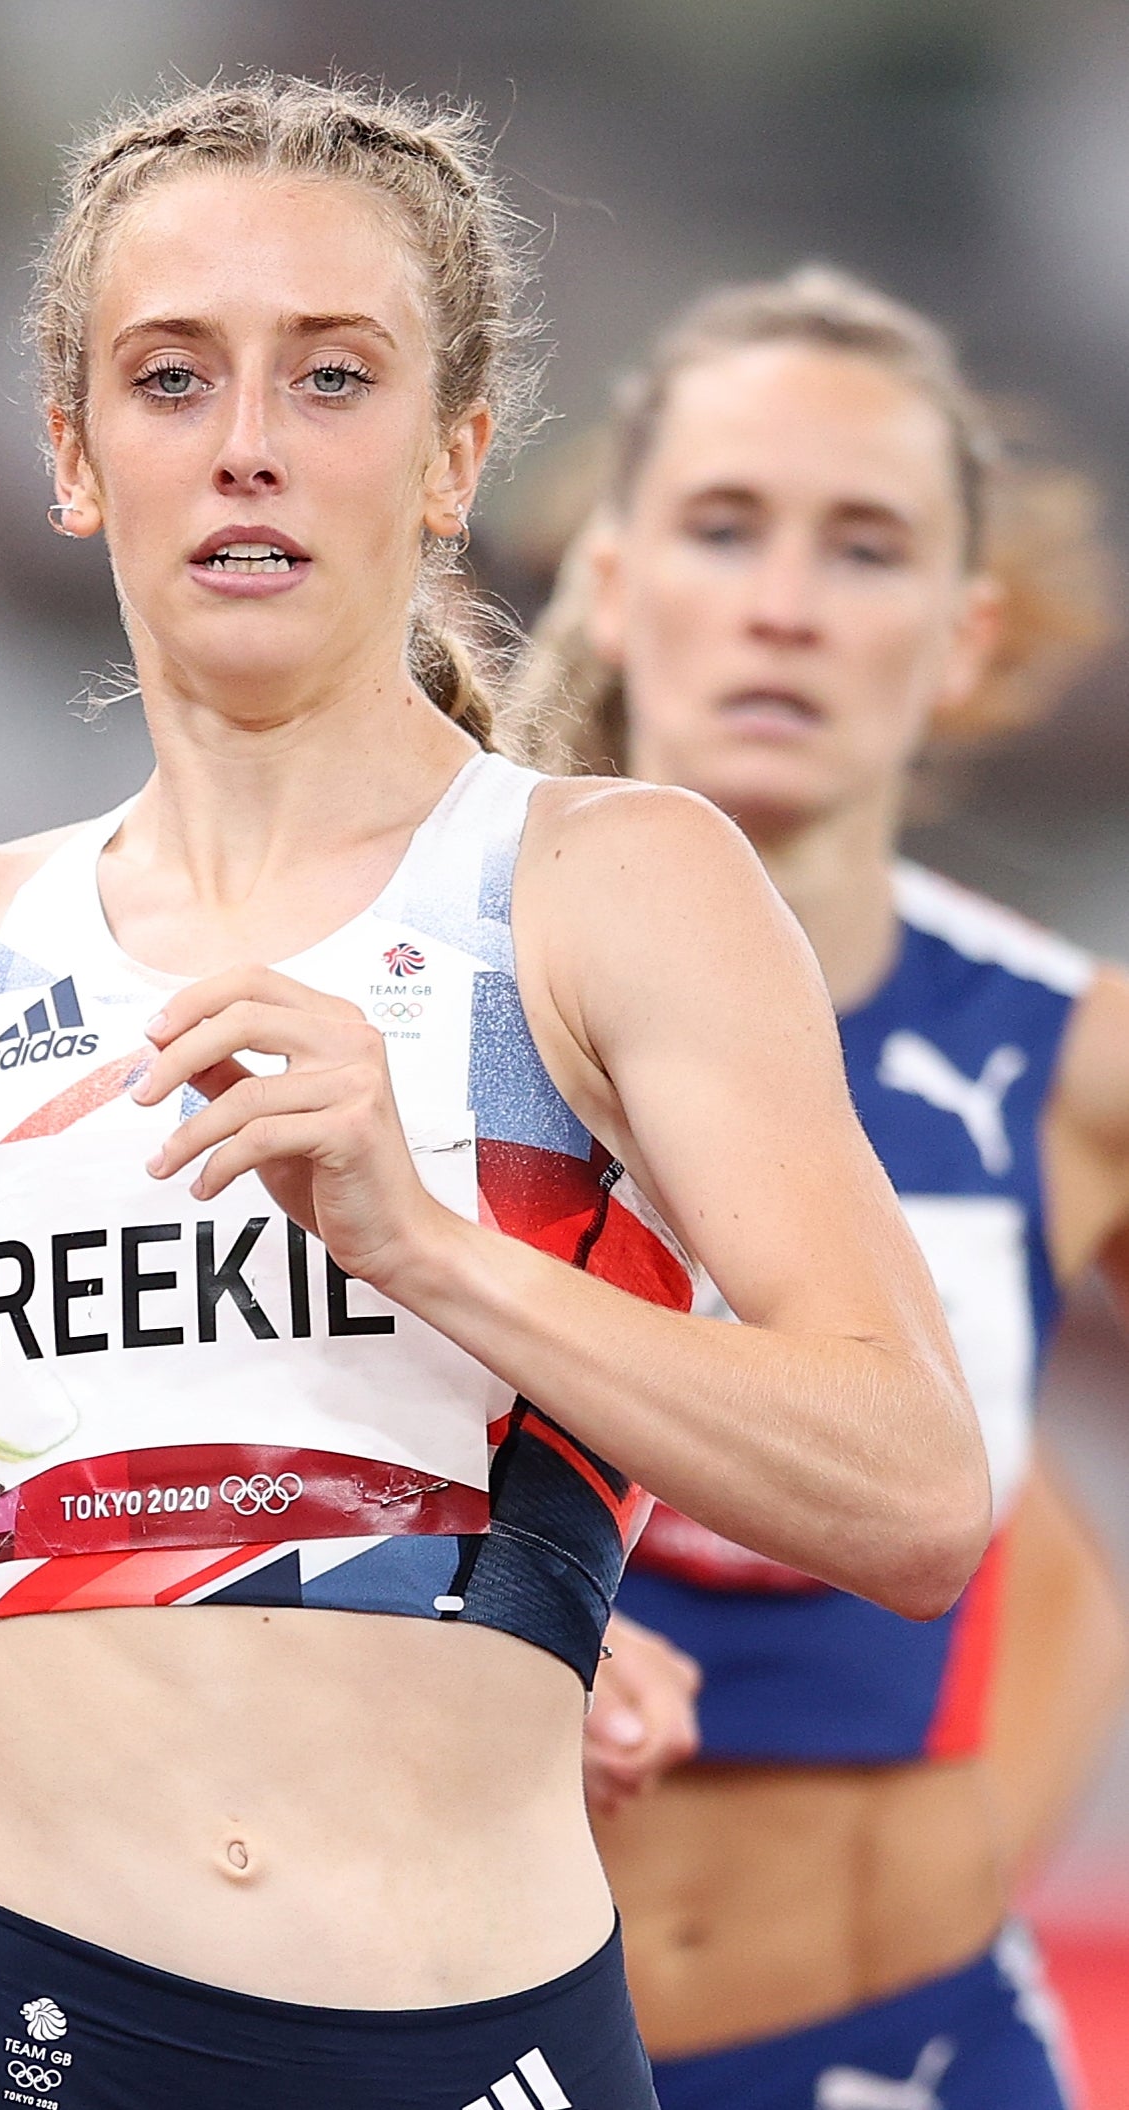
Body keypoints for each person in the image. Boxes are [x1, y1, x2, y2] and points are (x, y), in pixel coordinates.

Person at [0, 74, 996, 2109]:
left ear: (457, 448)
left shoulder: (603, 885)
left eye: (330, 377)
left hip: (470, 2037)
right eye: (169, 376)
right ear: (70, 448)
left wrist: (420, 1241)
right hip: (3, 2025)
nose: (243, 449)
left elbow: (914, 1490)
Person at [515, 264, 1129, 2110]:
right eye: (724, 527)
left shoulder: (1067, 1053)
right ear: (615, 585)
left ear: (964, 633)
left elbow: (1067, 1570)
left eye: (865, 548)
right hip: (485, 2043)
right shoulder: (411, 998)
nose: (783, 605)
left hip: (908, 2046)